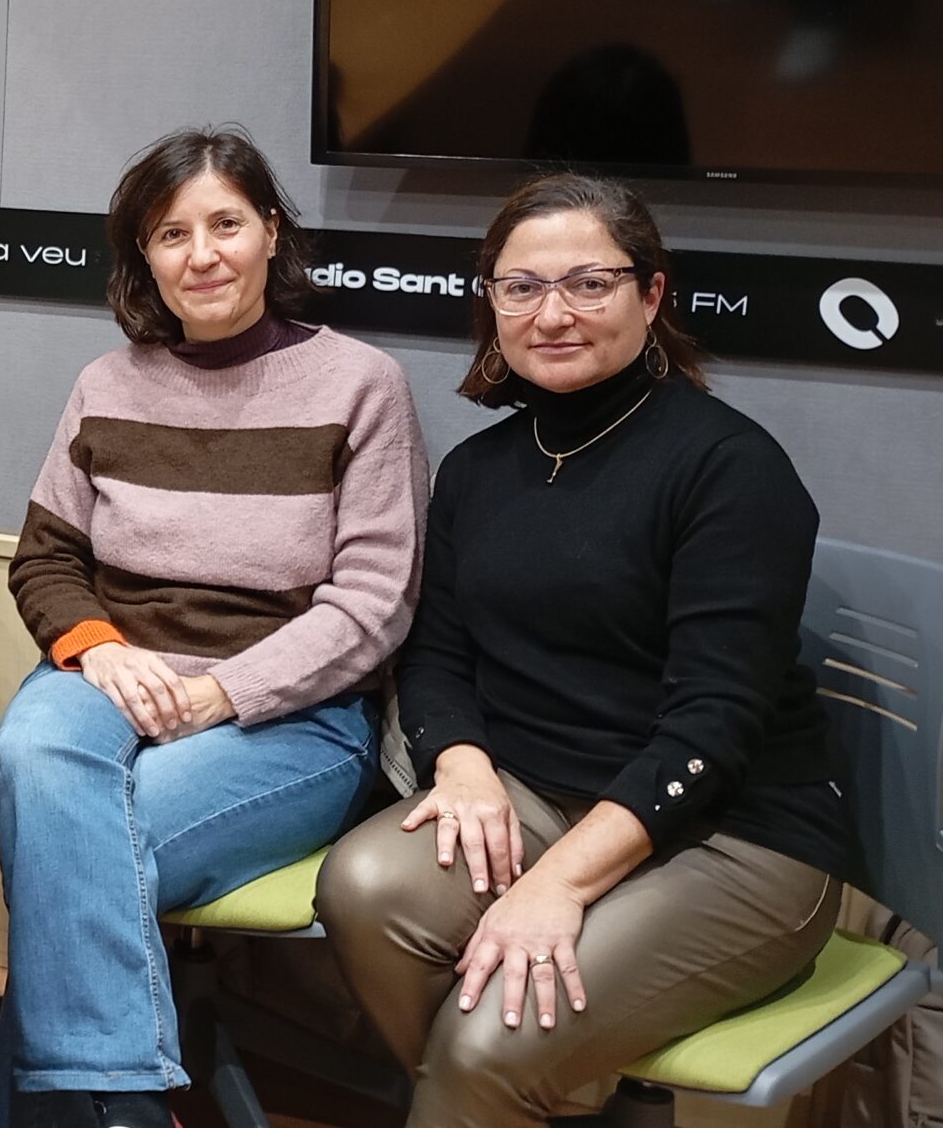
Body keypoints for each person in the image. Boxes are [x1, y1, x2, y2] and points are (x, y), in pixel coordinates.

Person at [314, 172, 845, 1128]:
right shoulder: (478, 471)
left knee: (486, 1044)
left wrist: (553, 887)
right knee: (363, 889)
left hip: (735, 839)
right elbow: (435, 656)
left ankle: (494, 1088)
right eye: (521, 287)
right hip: (538, 795)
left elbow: (713, 730)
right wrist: (462, 767)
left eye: (588, 284)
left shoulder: (730, 468)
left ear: (651, 296)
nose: (552, 314)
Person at [0, 127, 425, 1128]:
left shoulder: (361, 384)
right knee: (32, 755)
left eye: (225, 223)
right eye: (170, 233)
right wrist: (100, 649)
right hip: (110, 671)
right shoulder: (107, 382)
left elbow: (374, 602)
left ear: (270, 232)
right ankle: (123, 1099)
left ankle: (81, 1105)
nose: (202, 253)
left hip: (288, 714)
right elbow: (46, 558)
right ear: (143, 256)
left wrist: (218, 693)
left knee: (80, 841)